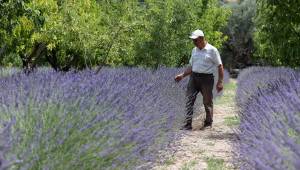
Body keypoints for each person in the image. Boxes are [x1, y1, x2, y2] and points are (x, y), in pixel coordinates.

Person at [175, 29, 224, 130]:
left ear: (201, 39)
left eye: (195, 40)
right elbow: (191, 66)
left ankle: (208, 123)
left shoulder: (212, 50)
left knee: (207, 101)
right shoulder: (194, 50)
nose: (194, 42)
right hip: (194, 78)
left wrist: (220, 82)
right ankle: (188, 124)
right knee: (189, 100)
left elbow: (220, 66)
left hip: (207, 79)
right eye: (193, 40)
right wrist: (182, 75)